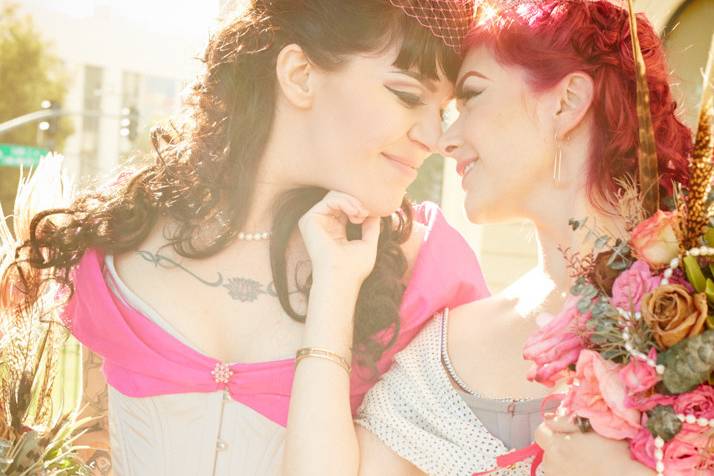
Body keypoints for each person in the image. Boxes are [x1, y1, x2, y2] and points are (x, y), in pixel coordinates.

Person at [0, 1, 488, 474]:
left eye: (441, 112)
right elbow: (93, 443)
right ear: (299, 75)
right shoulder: (118, 244)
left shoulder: (426, 276)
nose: (434, 137)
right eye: (407, 96)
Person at [284, 1, 691, 475]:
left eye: (471, 96)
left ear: (566, 104)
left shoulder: (696, 313)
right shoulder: (441, 353)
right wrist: (334, 286)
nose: (444, 140)